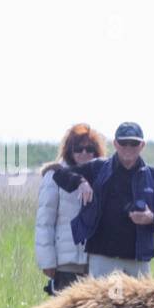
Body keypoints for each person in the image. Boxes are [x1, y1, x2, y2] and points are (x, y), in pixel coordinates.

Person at [51, 122, 154, 278]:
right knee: (102, 303)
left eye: (134, 143)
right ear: (115, 144)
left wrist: (152, 218)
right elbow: (60, 175)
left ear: (142, 145)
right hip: (103, 258)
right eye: (123, 143)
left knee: (139, 303)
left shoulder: (153, 175)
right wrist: (80, 182)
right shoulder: (98, 168)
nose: (128, 148)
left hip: (138, 260)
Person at [35, 123, 104, 294]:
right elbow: (45, 222)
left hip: (96, 263)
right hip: (66, 262)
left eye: (90, 149)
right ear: (69, 150)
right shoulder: (54, 176)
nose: (84, 153)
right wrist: (47, 262)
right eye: (78, 149)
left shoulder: (103, 176)